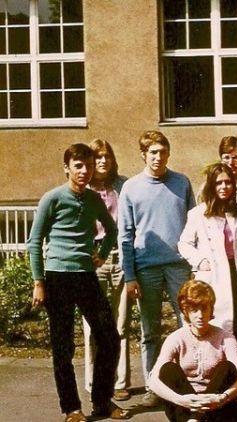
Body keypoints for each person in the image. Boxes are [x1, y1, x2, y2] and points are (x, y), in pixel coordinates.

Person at [27, 144, 128, 422]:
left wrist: (102, 254)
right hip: (57, 277)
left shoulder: (94, 199)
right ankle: (71, 408)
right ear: (67, 168)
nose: (85, 171)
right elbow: (34, 242)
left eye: (89, 166)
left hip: (86, 276)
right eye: (79, 166)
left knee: (109, 337)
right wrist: (38, 282)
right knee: (63, 347)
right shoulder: (52, 198)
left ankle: (102, 401)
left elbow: (112, 229)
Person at [118, 130, 196, 407]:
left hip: (179, 266)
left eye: (162, 152)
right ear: (143, 155)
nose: (158, 157)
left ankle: (188, 383)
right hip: (146, 269)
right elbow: (125, 235)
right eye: (153, 152)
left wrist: (195, 265)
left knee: (187, 326)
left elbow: (194, 225)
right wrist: (130, 275)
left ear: (168, 153)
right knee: (150, 332)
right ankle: (154, 386)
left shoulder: (181, 182)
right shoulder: (131, 188)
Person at [178, 163, 237, 388]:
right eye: (219, 182)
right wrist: (200, 261)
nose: (224, 186)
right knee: (220, 326)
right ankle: (221, 378)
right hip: (215, 276)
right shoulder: (198, 214)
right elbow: (184, 243)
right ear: (211, 185)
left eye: (228, 182)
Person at [148, 280, 237, 422]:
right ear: (186, 311)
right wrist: (180, 399)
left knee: (228, 367)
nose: (200, 315)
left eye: (204, 309)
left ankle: (195, 419)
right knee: (168, 369)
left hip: (215, 404)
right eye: (194, 310)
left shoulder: (225, 337)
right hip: (184, 404)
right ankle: (196, 418)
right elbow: (153, 380)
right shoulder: (176, 338)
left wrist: (222, 397)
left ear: (211, 310)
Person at [82, 139, 131, 401]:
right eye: (98, 157)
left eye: (107, 156)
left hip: (120, 259)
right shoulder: (83, 188)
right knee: (93, 326)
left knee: (120, 324)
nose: (103, 161)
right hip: (94, 262)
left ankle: (119, 381)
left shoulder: (122, 186)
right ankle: (93, 381)